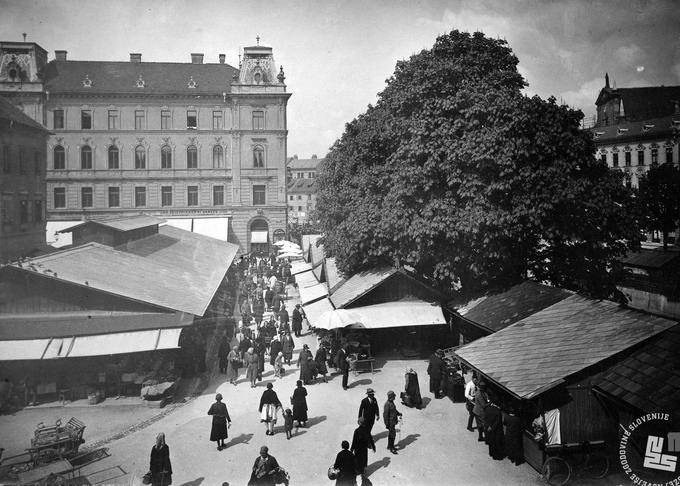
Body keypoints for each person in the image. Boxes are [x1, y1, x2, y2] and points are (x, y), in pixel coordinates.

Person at [484, 395, 505, 460]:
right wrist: (492, 428)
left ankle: (491, 453)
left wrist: (488, 426)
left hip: (488, 428)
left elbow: (485, 418)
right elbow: (498, 422)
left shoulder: (487, 408)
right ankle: (495, 455)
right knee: (496, 442)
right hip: (496, 430)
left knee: (490, 442)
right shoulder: (498, 412)